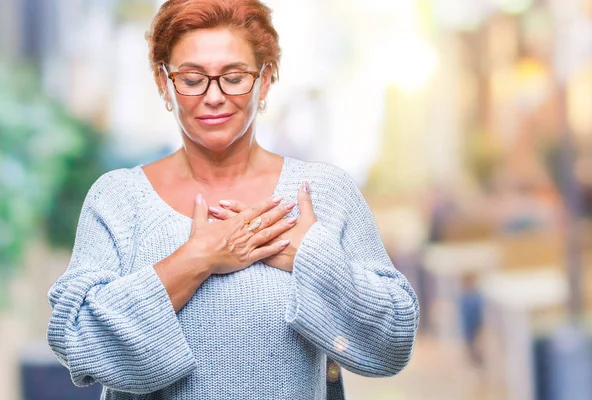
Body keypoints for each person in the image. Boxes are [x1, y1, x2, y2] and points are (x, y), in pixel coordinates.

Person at [46, 0, 419, 399]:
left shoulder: (324, 194)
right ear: (163, 82)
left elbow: (391, 343)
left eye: (235, 76)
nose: (214, 96)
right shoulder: (119, 200)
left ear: (265, 79)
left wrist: (311, 256)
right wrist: (197, 258)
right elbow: (76, 337)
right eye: (192, 78)